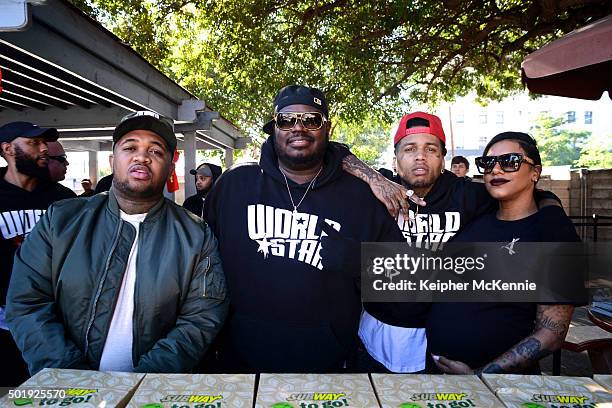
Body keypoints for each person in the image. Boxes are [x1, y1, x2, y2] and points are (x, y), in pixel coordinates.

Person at [7, 111, 228, 375]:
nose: (142, 157)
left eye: (156, 151)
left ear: (170, 167)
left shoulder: (195, 235)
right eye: (130, 147)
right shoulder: (61, 220)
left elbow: (201, 318)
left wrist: (144, 382)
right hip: (68, 387)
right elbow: (27, 302)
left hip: (151, 393)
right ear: (113, 160)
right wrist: (70, 376)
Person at [338, 112, 561, 374]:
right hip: (377, 333)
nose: (420, 156)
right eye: (409, 148)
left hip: (438, 342)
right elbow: (334, 153)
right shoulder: (377, 190)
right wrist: (373, 177)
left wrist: (553, 214)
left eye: (430, 149)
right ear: (395, 159)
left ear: (443, 158)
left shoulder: (469, 195)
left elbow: (532, 192)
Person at [203, 85, 404, 373]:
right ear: (274, 127)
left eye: (312, 120)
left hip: (331, 367)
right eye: (287, 120)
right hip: (241, 365)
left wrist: (359, 261)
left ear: (328, 128)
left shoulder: (363, 197)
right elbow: (202, 269)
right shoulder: (233, 187)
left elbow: (403, 280)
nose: (299, 128)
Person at [428, 131, 577, 374]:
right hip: (439, 376)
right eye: (488, 163)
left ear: (535, 173)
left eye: (510, 162)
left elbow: (552, 333)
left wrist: (482, 376)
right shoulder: (474, 218)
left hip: (501, 386)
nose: (496, 170)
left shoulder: (554, 234)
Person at [0, 121, 75, 386]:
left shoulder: (65, 200)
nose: (43, 149)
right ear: (8, 149)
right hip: (4, 323)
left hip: (57, 321)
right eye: (34, 143)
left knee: (55, 393)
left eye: (45, 142)